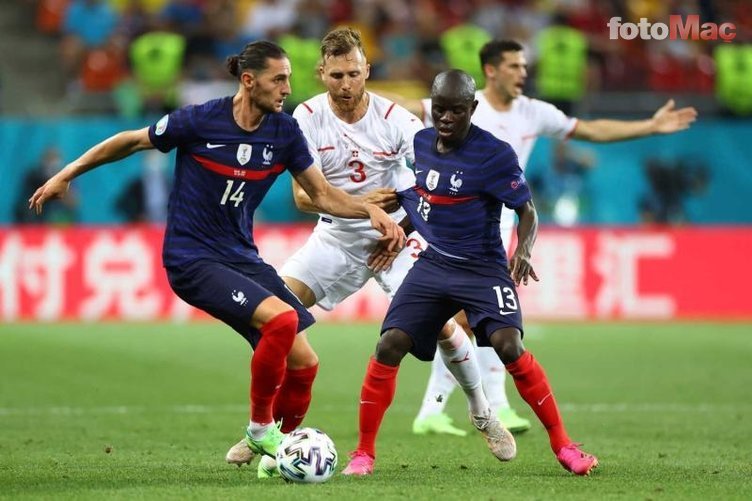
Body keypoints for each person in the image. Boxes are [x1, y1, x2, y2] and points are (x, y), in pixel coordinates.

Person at [28, 40, 404, 461]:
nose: (287, 89)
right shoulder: (201, 120)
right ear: (249, 81)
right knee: (281, 321)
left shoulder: (284, 132)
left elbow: (322, 194)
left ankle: (274, 456)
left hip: (241, 256)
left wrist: (368, 210)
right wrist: (67, 173)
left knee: (304, 363)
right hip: (192, 257)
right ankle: (260, 430)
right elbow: (131, 141)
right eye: (278, 80)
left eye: (288, 79)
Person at [224, 27, 513, 479]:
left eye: (354, 74)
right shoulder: (305, 118)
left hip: (395, 239)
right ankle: (267, 429)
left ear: (367, 71)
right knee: (275, 317)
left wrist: (402, 224)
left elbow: (432, 180)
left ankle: (482, 413)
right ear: (321, 73)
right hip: (335, 237)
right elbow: (302, 198)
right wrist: (364, 206)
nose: (346, 84)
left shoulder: (396, 119)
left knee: (444, 326)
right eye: (336, 75)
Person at [400, 39, 698, 436]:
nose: (523, 73)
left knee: (486, 320)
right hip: (452, 222)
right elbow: (402, 109)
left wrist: (650, 126)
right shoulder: (460, 103)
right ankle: (440, 408)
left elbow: (590, 130)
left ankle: (479, 406)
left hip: (499, 224)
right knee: (465, 319)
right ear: (491, 70)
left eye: (524, 66)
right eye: (514, 66)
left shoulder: (533, 111)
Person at [342, 69, 598, 476]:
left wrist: (523, 250)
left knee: (509, 346)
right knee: (389, 344)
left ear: (472, 109)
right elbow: (427, 197)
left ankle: (564, 445)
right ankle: (363, 454)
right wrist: (401, 230)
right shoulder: (421, 144)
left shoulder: (494, 155)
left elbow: (527, 211)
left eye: (456, 111)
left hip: (483, 268)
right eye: (440, 109)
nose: (446, 118)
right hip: (434, 264)